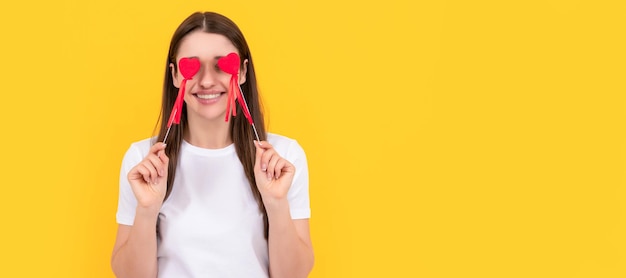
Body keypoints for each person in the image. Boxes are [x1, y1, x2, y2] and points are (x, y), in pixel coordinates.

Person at [111, 11, 314, 278]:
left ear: (242, 71)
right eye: (191, 67)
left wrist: (276, 204)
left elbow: (293, 275)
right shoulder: (142, 162)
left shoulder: (284, 159)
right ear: (174, 76)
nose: (206, 81)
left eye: (222, 65)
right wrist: (147, 211)